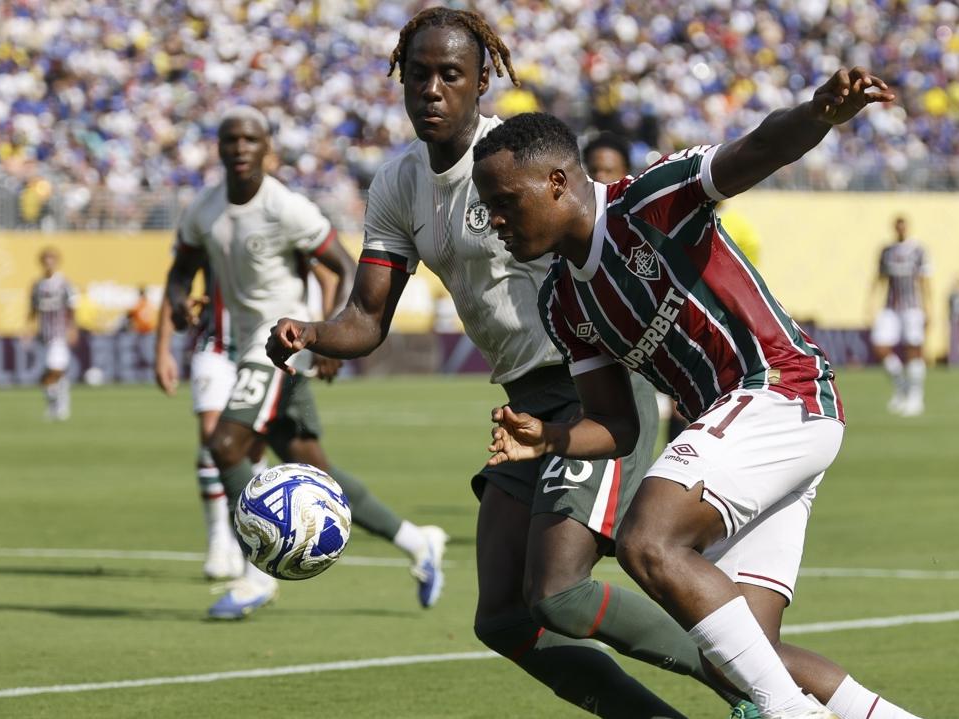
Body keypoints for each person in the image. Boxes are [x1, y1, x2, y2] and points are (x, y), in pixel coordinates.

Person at [267, 8, 751, 717]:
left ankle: (755, 683)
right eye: (419, 74)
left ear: (481, 81)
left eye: (450, 74)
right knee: (502, 617)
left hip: (595, 389)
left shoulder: (514, 162)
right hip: (525, 404)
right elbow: (367, 319)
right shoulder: (398, 183)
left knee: (559, 590)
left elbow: (602, 237)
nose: (432, 89)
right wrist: (309, 331)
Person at [472, 79, 922, 719]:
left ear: (556, 182)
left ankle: (789, 715)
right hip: (753, 429)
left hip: (780, 389)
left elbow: (758, 149)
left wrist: (820, 113)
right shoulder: (563, 302)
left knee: (646, 542)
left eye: (504, 202)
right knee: (742, 654)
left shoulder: (649, 202)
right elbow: (617, 425)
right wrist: (550, 439)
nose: (494, 221)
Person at [164, 106, 447, 620]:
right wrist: (181, 303)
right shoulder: (203, 209)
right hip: (241, 348)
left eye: (251, 139)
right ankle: (417, 540)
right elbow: (180, 271)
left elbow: (341, 264)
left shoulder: (285, 207)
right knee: (316, 468)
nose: (241, 148)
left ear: (267, 148)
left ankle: (256, 575)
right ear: (219, 148)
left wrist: (326, 335)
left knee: (225, 445)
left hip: (278, 345)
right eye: (231, 139)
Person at [154, 263, 338, 581]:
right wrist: (162, 349)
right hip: (216, 344)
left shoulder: (282, 232)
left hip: (265, 346)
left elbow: (329, 274)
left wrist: (325, 333)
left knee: (251, 448)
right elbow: (178, 276)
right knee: (214, 438)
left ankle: (255, 540)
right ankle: (218, 540)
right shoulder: (204, 229)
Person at [869, 216, 931, 417]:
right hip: (890, 307)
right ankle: (901, 386)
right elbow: (879, 278)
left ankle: (915, 397)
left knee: (913, 349)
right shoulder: (886, 251)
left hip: (912, 307)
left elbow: (924, 281)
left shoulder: (918, 250)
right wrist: (870, 304)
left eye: (904, 227)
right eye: (898, 227)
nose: (901, 230)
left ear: (907, 228)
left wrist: (928, 308)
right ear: (894, 228)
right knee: (880, 346)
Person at [29, 247, 78, 421]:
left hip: (59, 335)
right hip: (43, 336)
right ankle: (56, 403)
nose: (48, 263)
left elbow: (72, 307)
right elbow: (32, 309)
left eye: (52, 259)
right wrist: (27, 329)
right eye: (46, 259)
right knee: (48, 374)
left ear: (57, 262)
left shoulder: (64, 283)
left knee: (54, 370)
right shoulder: (37, 285)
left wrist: (72, 328)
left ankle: (59, 403)